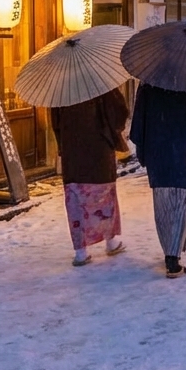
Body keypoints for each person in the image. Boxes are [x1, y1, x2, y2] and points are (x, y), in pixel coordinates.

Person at [129, 83, 186, 278]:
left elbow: (138, 125)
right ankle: (173, 257)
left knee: (162, 205)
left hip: (157, 149)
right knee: (183, 205)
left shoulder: (148, 86)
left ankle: (169, 250)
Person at [51, 88, 129, 267]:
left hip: (73, 151)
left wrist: (63, 143)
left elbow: (55, 123)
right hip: (99, 149)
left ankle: (80, 251)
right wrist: (112, 131)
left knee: (76, 200)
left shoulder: (61, 89)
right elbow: (120, 111)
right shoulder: (99, 82)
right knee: (104, 197)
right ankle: (111, 241)